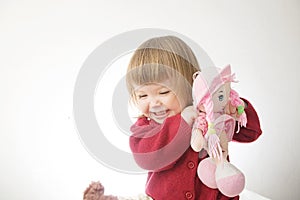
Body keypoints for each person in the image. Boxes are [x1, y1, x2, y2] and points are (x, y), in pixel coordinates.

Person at [83, 35, 262, 200]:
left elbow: (251, 133)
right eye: (142, 96)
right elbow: (148, 159)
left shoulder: (209, 115)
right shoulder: (145, 128)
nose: (154, 103)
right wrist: (182, 122)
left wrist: (238, 108)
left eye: (163, 92)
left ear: (191, 85)